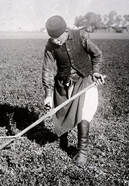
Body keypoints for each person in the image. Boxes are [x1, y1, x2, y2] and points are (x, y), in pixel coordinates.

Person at [42, 15, 105, 166]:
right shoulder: (50, 45)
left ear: (65, 31)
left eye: (57, 37)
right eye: (52, 38)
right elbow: (48, 70)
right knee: (62, 112)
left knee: (84, 114)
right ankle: (63, 140)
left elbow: (97, 54)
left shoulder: (81, 36)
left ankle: (82, 152)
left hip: (84, 81)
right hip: (63, 83)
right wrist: (48, 95)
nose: (55, 41)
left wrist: (95, 71)